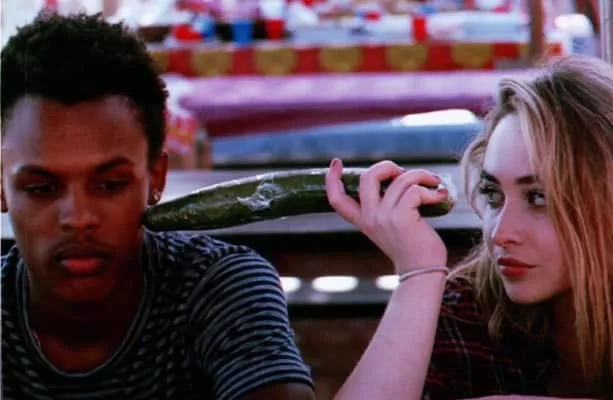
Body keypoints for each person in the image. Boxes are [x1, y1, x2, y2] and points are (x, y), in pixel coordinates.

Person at [0, 11, 315, 400]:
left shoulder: (218, 288)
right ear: (1, 185)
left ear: (156, 178)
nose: (78, 218)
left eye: (111, 185)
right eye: (41, 188)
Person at [327, 55, 612, 399]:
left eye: (539, 197)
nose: (500, 234)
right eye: (493, 195)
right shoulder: (469, 308)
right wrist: (419, 272)